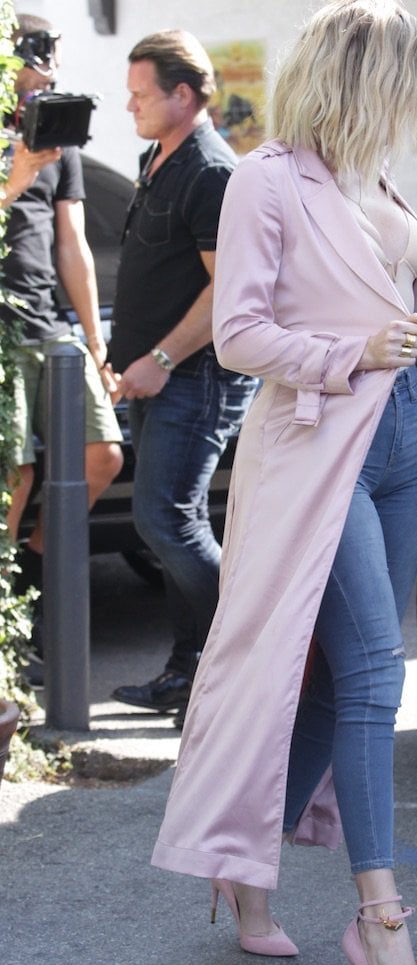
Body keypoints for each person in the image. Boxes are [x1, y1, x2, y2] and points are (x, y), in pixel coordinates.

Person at [151, 3, 417, 965]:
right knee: (381, 674)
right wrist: (348, 352)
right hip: (312, 451)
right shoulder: (265, 178)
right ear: (362, 74)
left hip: (394, 446)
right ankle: (380, 925)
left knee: (339, 681)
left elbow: (382, 292)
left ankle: (243, 869)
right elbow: (240, 335)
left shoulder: (374, 177)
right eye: (411, 81)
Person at [106, 30, 257, 725]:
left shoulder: (211, 170)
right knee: (178, 521)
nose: (130, 104)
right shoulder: (156, 157)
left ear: (184, 95)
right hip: (156, 378)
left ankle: (256, 656)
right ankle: (190, 671)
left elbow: (225, 290)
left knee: (162, 520)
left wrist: (160, 359)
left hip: (194, 380)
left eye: (142, 94)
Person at [1, 14, 123, 652]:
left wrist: (97, 345)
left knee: (101, 455)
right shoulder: (11, 143)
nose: (44, 67)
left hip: (50, 323)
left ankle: (31, 584)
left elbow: (72, 243)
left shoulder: (57, 139)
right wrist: (14, 178)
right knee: (14, 476)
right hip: (2, 332)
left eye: (51, 54)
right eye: (33, 54)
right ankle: (10, 628)